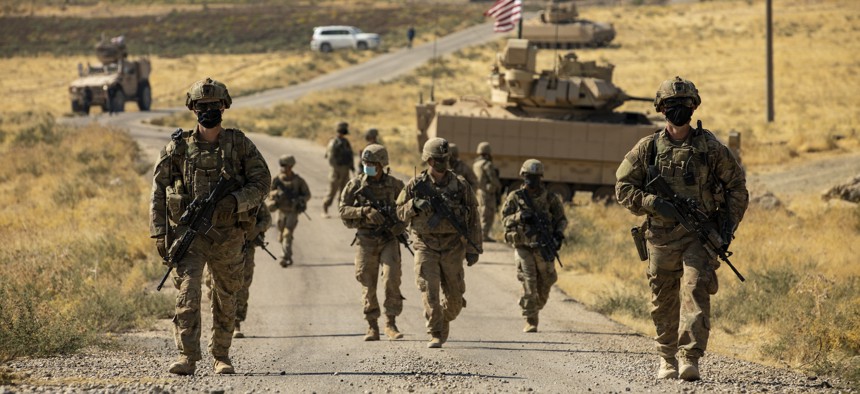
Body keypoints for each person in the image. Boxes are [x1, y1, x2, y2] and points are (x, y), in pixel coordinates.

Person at [615, 76, 748, 381]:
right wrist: (651, 203)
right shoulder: (648, 148)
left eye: (684, 105)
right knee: (663, 298)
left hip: (698, 237)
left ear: (693, 107)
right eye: (672, 105)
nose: (678, 110)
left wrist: (726, 226)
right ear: (662, 109)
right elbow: (623, 187)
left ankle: (690, 357)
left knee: (695, 289)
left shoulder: (710, 148)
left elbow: (737, 187)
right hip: (660, 237)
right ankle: (666, 357)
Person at [150, 77, 271, 375]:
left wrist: (236, 201)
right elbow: (158, 192)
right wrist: (160, 233)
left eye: (214, 105)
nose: (209, 110)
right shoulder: (177, 148)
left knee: (225, 296)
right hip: (190, 237)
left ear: (224, 107)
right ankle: (187, 356)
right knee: (187, 295)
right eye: (203, 106)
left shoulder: (239, 144)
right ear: (193, 109)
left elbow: (262, 181)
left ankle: (221, 355)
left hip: (229, 235)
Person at [396, 138, 483, 348]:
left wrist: (474, 248)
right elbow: (399, 212)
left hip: (453, 247)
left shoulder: (460, 185)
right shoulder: (416, 185)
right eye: (437, 160)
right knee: (429, 290)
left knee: (455, 299)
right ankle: (435, 331)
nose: (441, 164)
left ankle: (442, 319)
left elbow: (474, 218)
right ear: (428, 160)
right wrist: (414, 205)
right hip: (425, 245)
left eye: (444, 159)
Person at [339, 144, 407, 341]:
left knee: (391, 278)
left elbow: (407, 209)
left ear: (382, 165)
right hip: (366, 239)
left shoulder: (395, 185)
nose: (368, 166)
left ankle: (390, 323)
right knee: (367, 282)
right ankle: (372, 326)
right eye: (366, 163)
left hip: (388, 239)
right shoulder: (355, 185)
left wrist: (398, 226)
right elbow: (343, 210)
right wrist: (364, 211)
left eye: (372, 163)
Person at [501, 159, 567, 333]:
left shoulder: (550, 198)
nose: (532, 180)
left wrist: (559, 235)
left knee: (547, 282)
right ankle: (531, 320)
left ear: (541, 178)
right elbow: (504, 220)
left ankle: (532, 306)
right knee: (529, 283)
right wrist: (519, 217)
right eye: (529, 176)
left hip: (543, 246)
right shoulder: (515, 198)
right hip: (523, 247)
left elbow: (561, 219)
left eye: (536, 177)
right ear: (523, 176)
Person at [204, 204, 272, 339]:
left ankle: (235, 323)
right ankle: (218, 320)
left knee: (241, 284)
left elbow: (267, 219)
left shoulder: (251, 198)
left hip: (245, 248)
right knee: (212, 284)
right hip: (219, 247)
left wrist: (257, 229)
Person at [266, 154, 311, 267]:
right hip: (280, 210)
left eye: (285, 165)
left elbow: (307, 195)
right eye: (282, 165)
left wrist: (299, 199)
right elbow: (268, 193)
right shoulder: (277, 179)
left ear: (291, 166)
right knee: (281, 234)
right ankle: (287, 252)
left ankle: (285, 257)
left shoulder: (298, 181)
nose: (283, 168)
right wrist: (276, 194)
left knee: (287, 233)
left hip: (292, 211)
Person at [322, 121, 354, 218]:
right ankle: (325, 210)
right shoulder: (333, 142)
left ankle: (342, 211)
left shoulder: (346, 142)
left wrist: (351, 167)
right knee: (332, 191)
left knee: (344, 192)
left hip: (345, 170)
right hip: (336, 171)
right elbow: (331, 159)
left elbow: (350, 155)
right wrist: (337, 169)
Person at [472, 141, 502, 242]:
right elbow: (493, 179)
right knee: (488, 213)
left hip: (479, 191)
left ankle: (480, 234)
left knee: (481, 212)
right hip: (488, 192)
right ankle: (483, 235)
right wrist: (498, 186)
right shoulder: (487, 164)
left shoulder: (476, 164)